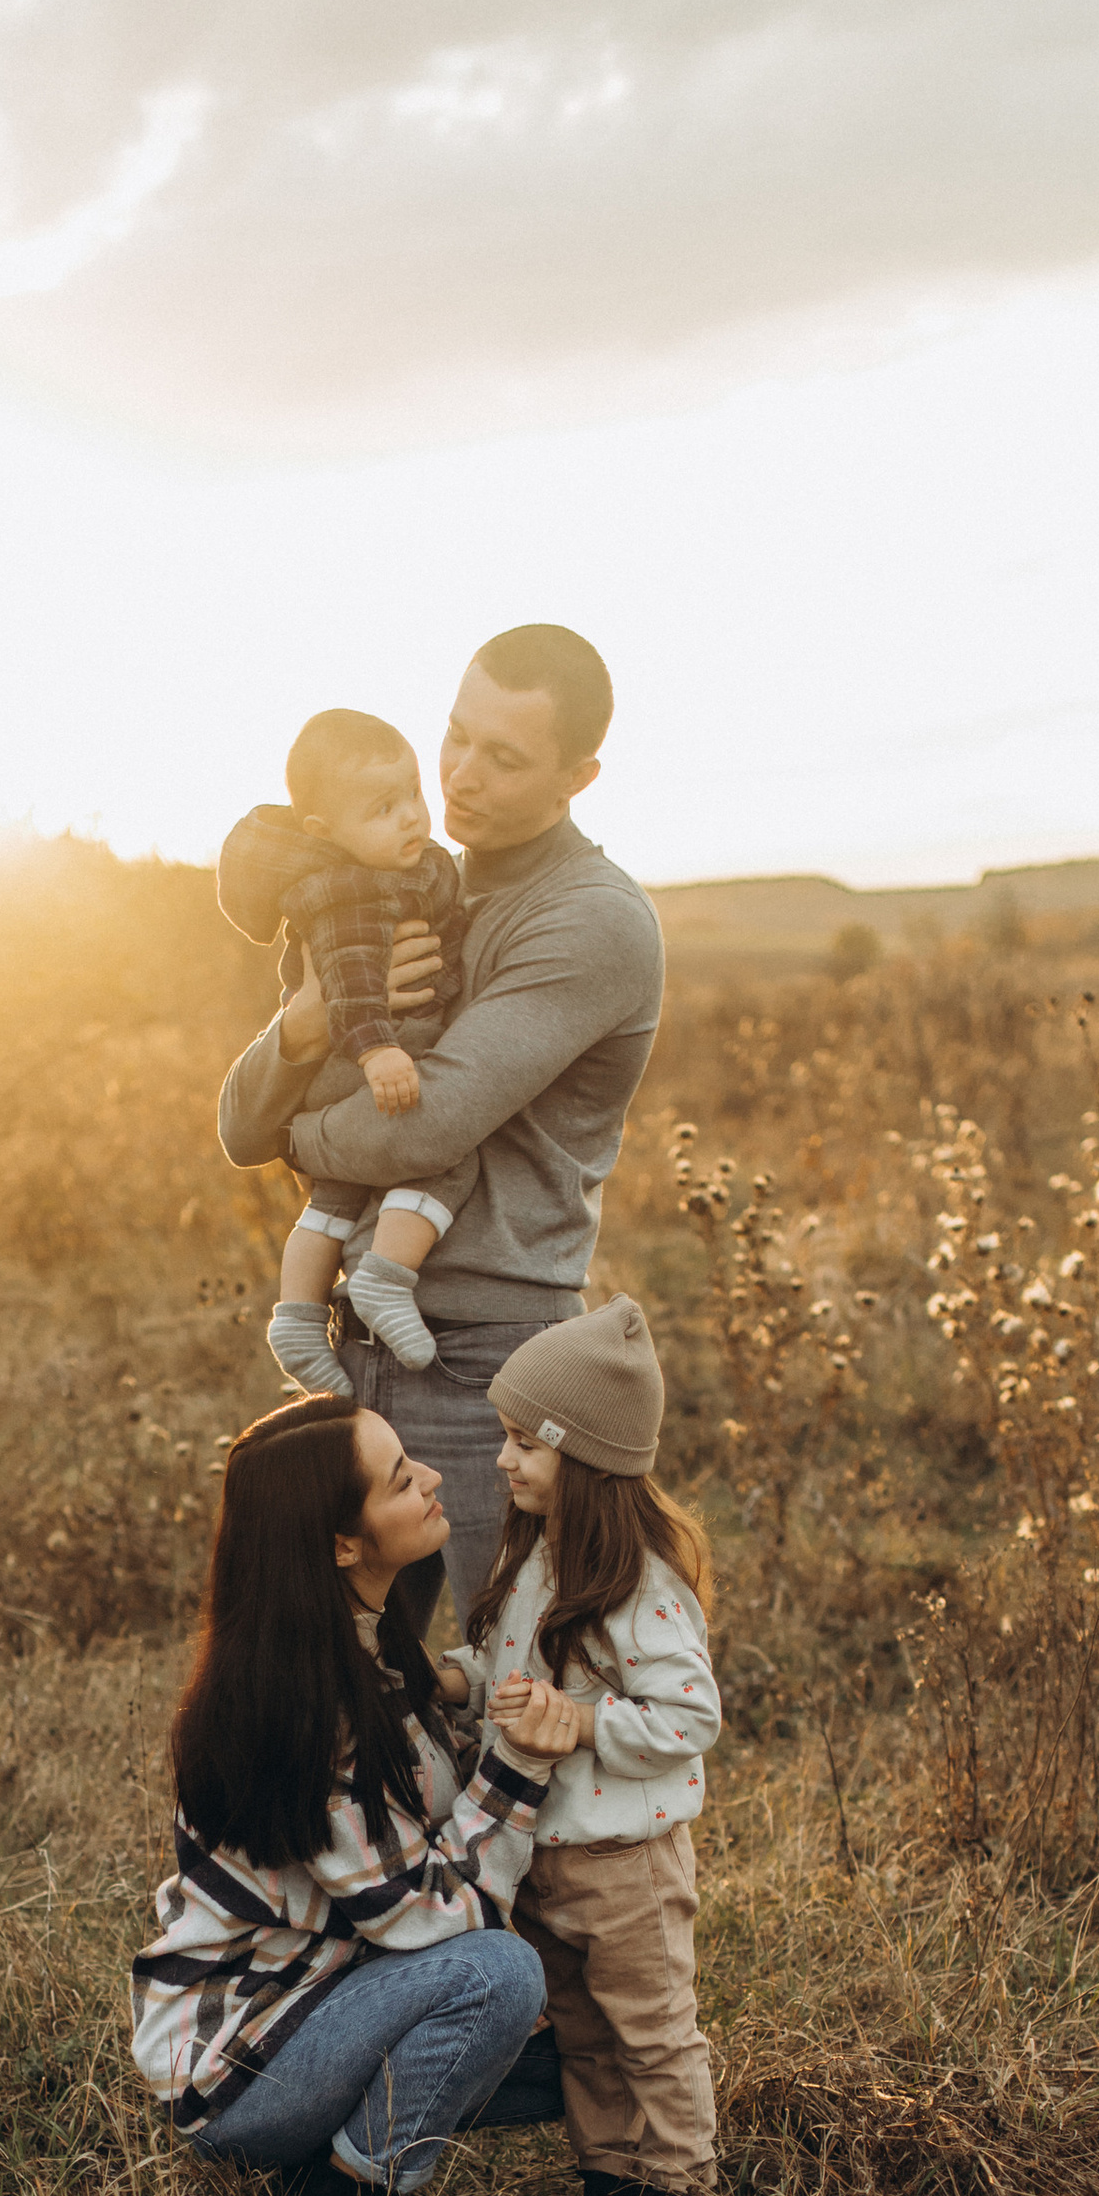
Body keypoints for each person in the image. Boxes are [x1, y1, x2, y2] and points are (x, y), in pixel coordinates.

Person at [217, 623, 665, 1637]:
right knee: (360, 1687)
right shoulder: (392, 887)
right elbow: (237, 1119)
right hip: (362, 1335)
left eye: (502, 758)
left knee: (503, 1677)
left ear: (578, 776)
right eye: (454, 736)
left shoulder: (590, 918)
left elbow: (424, 1131)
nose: (458, 776)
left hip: (492, 1369)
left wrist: (300, 1138)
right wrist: (312, 1022)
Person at [129, 1395, 561, 2196]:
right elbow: (430, 1915)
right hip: (236, 2074)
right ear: (339, 1545)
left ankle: (320, 2165)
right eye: (403, 1478)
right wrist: (520, 1766)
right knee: (501, 1976)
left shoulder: (363, 1642)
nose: (435, 1477)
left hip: (326, 2000)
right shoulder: (309, 1710)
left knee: (581, 2053)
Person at [452, 1297, 723, 2196]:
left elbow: (688, 1718)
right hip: (544, 1857)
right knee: (581, 2031)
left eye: (526, 1443)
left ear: (587, 1455)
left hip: (625, 1862)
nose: (504, 1461)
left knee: (649, 2028)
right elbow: (503, 1669)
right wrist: (458, 1682)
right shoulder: (531, 1557)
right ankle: (613, 2185)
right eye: (505, 1437)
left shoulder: (640, 1586)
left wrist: (588, 1722)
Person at [215, 710, 475, 1396]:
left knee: (330, 1202)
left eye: (413, 796)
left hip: (345, 1076)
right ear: (326, 835)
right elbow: (354, 993)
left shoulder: (382, 874)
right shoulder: (356, 894)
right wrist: (375, 1049)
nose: (412, 819)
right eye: (384, 809)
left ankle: (298, 1317)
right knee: (449, 1164)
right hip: (371, 1062)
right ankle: (385, 1280)